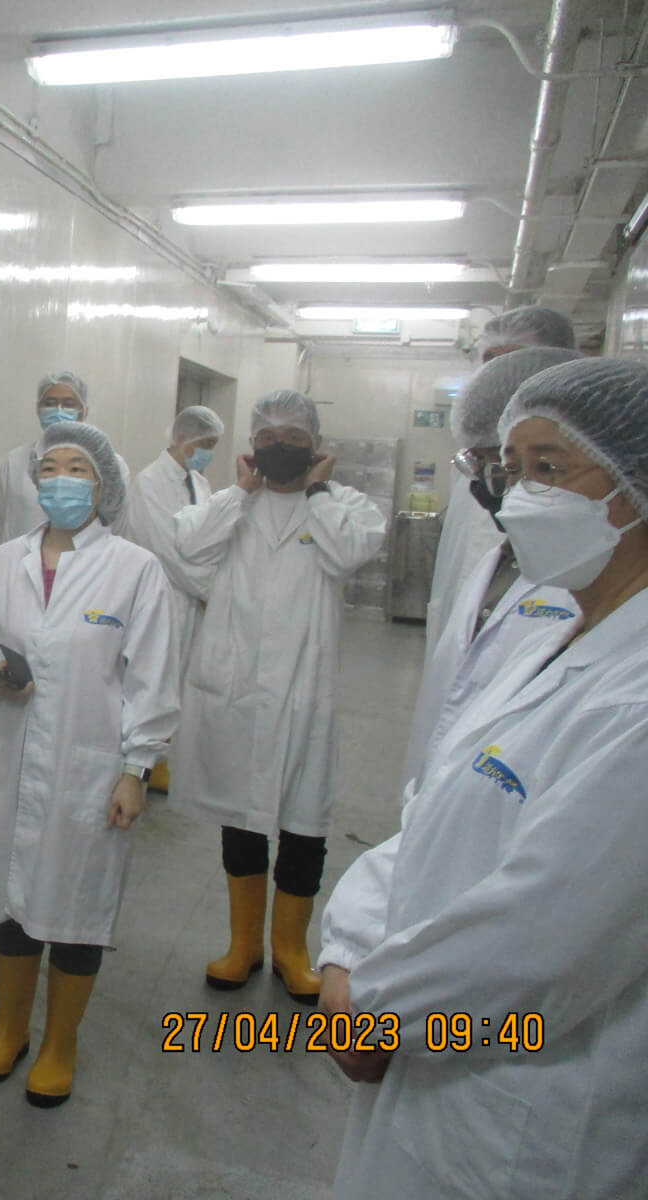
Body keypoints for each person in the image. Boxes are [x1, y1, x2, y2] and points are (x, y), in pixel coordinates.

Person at [318, 356, 648, 1198]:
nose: (521, 496)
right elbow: (429, 813)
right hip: (422, 1044)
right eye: (513, 469)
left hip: (522, 1112)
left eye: (550, 469)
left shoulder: (635, 696)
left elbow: (546, 936)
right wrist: (346, 954)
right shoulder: (553, 640)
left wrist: (377, 1012)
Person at [0, 420, 177, 1107]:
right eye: (50, 467)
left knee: (77, 907)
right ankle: (9, 1028)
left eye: (77, 470)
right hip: (11, 757)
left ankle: (60, 1043)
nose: (61, 480)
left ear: (103, 486)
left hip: (91, 767)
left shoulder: (134, 569)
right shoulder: (6, 562)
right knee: (10, 902)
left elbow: (151, 680)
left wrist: (136, 770)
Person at [172, 389, 386, 1002]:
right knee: (240, 820)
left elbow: (348, 552)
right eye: (268, 437)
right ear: (251, 446)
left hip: (303, 692)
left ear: (316, 447)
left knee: (304, 825)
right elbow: (189, 545)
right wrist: (239, 493)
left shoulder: (345, 506)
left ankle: (292, 951)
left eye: (295, 438)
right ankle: (243, 945)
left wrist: (317, 493)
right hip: (237, 690)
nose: (280, 447)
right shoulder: (232, 503)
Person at [400, 346, 582, 786]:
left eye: (541, 467)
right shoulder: (498, 561)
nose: (494, 484)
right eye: (485, 465)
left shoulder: (592, 583)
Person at [422, 306, 577, 661]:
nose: (499, 379)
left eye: (516, 363)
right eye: (490, 363)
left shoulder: (576, 471)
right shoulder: (471, 464)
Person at [129, 404, 225, 792]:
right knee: (154, 680)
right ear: (183, 438)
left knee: (181, 681)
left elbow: (209, 540)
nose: (208, 453)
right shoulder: (149, 482)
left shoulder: (199, 482)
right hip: (162, 595)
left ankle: (164, 762)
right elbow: (166, 550)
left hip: (190, 602)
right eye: (205, 444)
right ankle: (139, 764)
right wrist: (212, 589)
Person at [0, 370, 89, 547]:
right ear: (38, 409)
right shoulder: (12, 463)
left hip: (85, 563)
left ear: (84, 410)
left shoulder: (107, 467)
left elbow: (115, 528)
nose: (58, 410)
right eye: (50, 403)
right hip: (20, 562)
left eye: (68, 404)